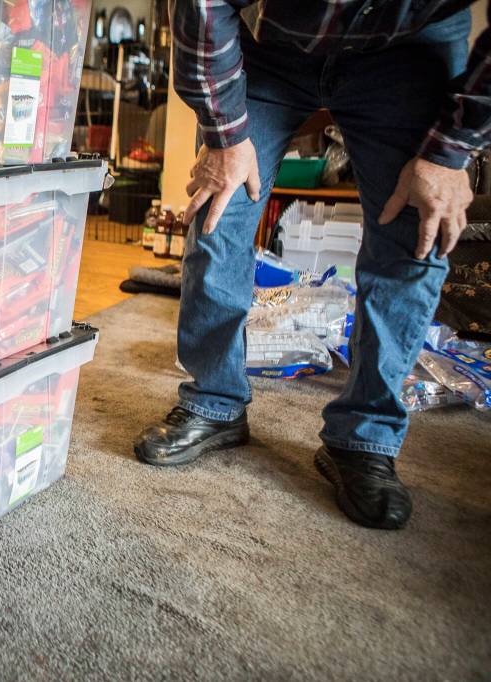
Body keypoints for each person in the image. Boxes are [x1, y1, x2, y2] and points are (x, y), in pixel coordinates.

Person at [134, 1, 486, 530]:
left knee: (417, 232)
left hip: (408, 52)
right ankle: (215, 400)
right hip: (268, 47)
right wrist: (224, 136)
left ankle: (364, 436)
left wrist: (451, 152)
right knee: (219, 207)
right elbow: (202, 7)